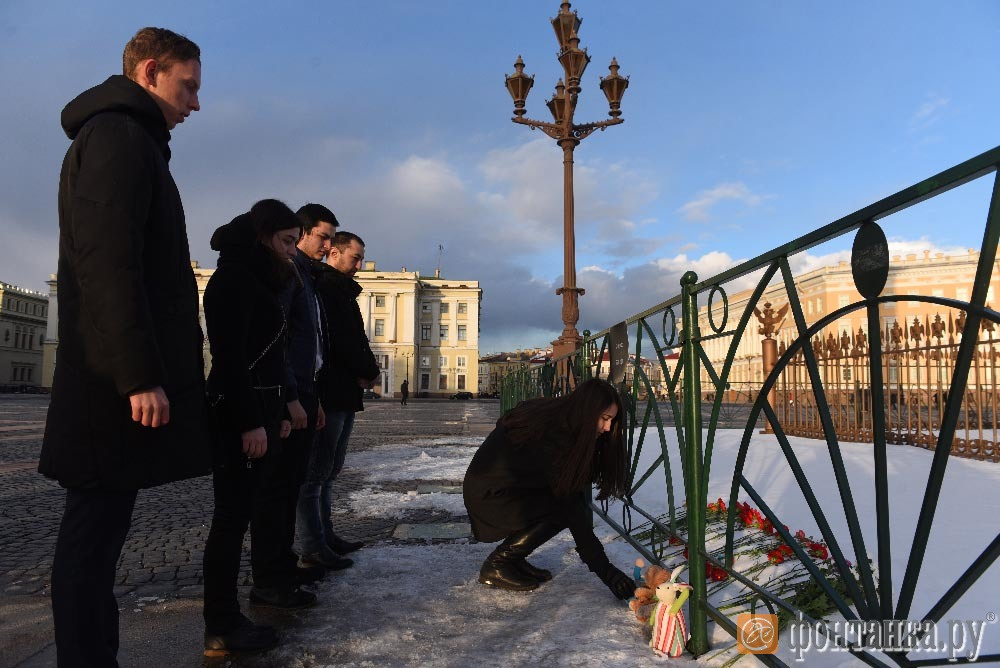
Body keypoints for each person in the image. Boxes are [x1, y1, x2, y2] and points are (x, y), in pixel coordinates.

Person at [39, 27, 207, 666]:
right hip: (107, 383)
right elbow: (107, 263)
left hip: (105, 376)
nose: (195, 103)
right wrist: (138, 374)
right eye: (187, 86)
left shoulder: (133, 139)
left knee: (101, 533)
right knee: (91, 535)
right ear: (150, 71)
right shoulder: (117, 137)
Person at [201, 199, 305, 656]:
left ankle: (228, 621)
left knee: (242, 515)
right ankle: (221, 624)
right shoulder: (234, 280)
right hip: (239, 416)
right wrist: (250, 423)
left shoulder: (258, 277)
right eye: (287, 241)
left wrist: (278, 411)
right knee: (229, 521)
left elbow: (270, 357)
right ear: (263, 235)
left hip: (262, 412)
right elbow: (232, 360)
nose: (293, 251)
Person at [463, 378, 636, 598]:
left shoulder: (558, 417)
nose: (608, 427)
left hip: (497, 489)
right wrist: (607, 572)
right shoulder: (556, 438)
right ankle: (499, 564)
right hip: (490, 497)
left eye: (611, 420)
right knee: (562, 510)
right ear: (586, 411)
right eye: (604, 418)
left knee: (564, 505)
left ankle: (513, 560)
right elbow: (573, 509)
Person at [297, 232, 379, 566]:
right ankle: (313, 547)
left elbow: (354, 338)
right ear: (334, 253)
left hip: (343, 391)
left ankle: (325, 538)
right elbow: (340, 340)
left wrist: (365, 369)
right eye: (354, 257)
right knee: (315, 474)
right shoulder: (328, 288)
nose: (359, 265)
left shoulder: (340, 289)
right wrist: (368, 369)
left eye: (361, 258)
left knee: (329, 472)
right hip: (330, 391)